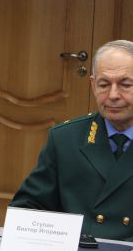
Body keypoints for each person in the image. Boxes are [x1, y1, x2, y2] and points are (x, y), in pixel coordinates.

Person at [10, 40, 133, 240]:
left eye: (125, 85)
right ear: (93, 85)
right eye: (103, 85)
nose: (113, 95)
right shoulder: (65, 139)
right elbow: (27, 208)